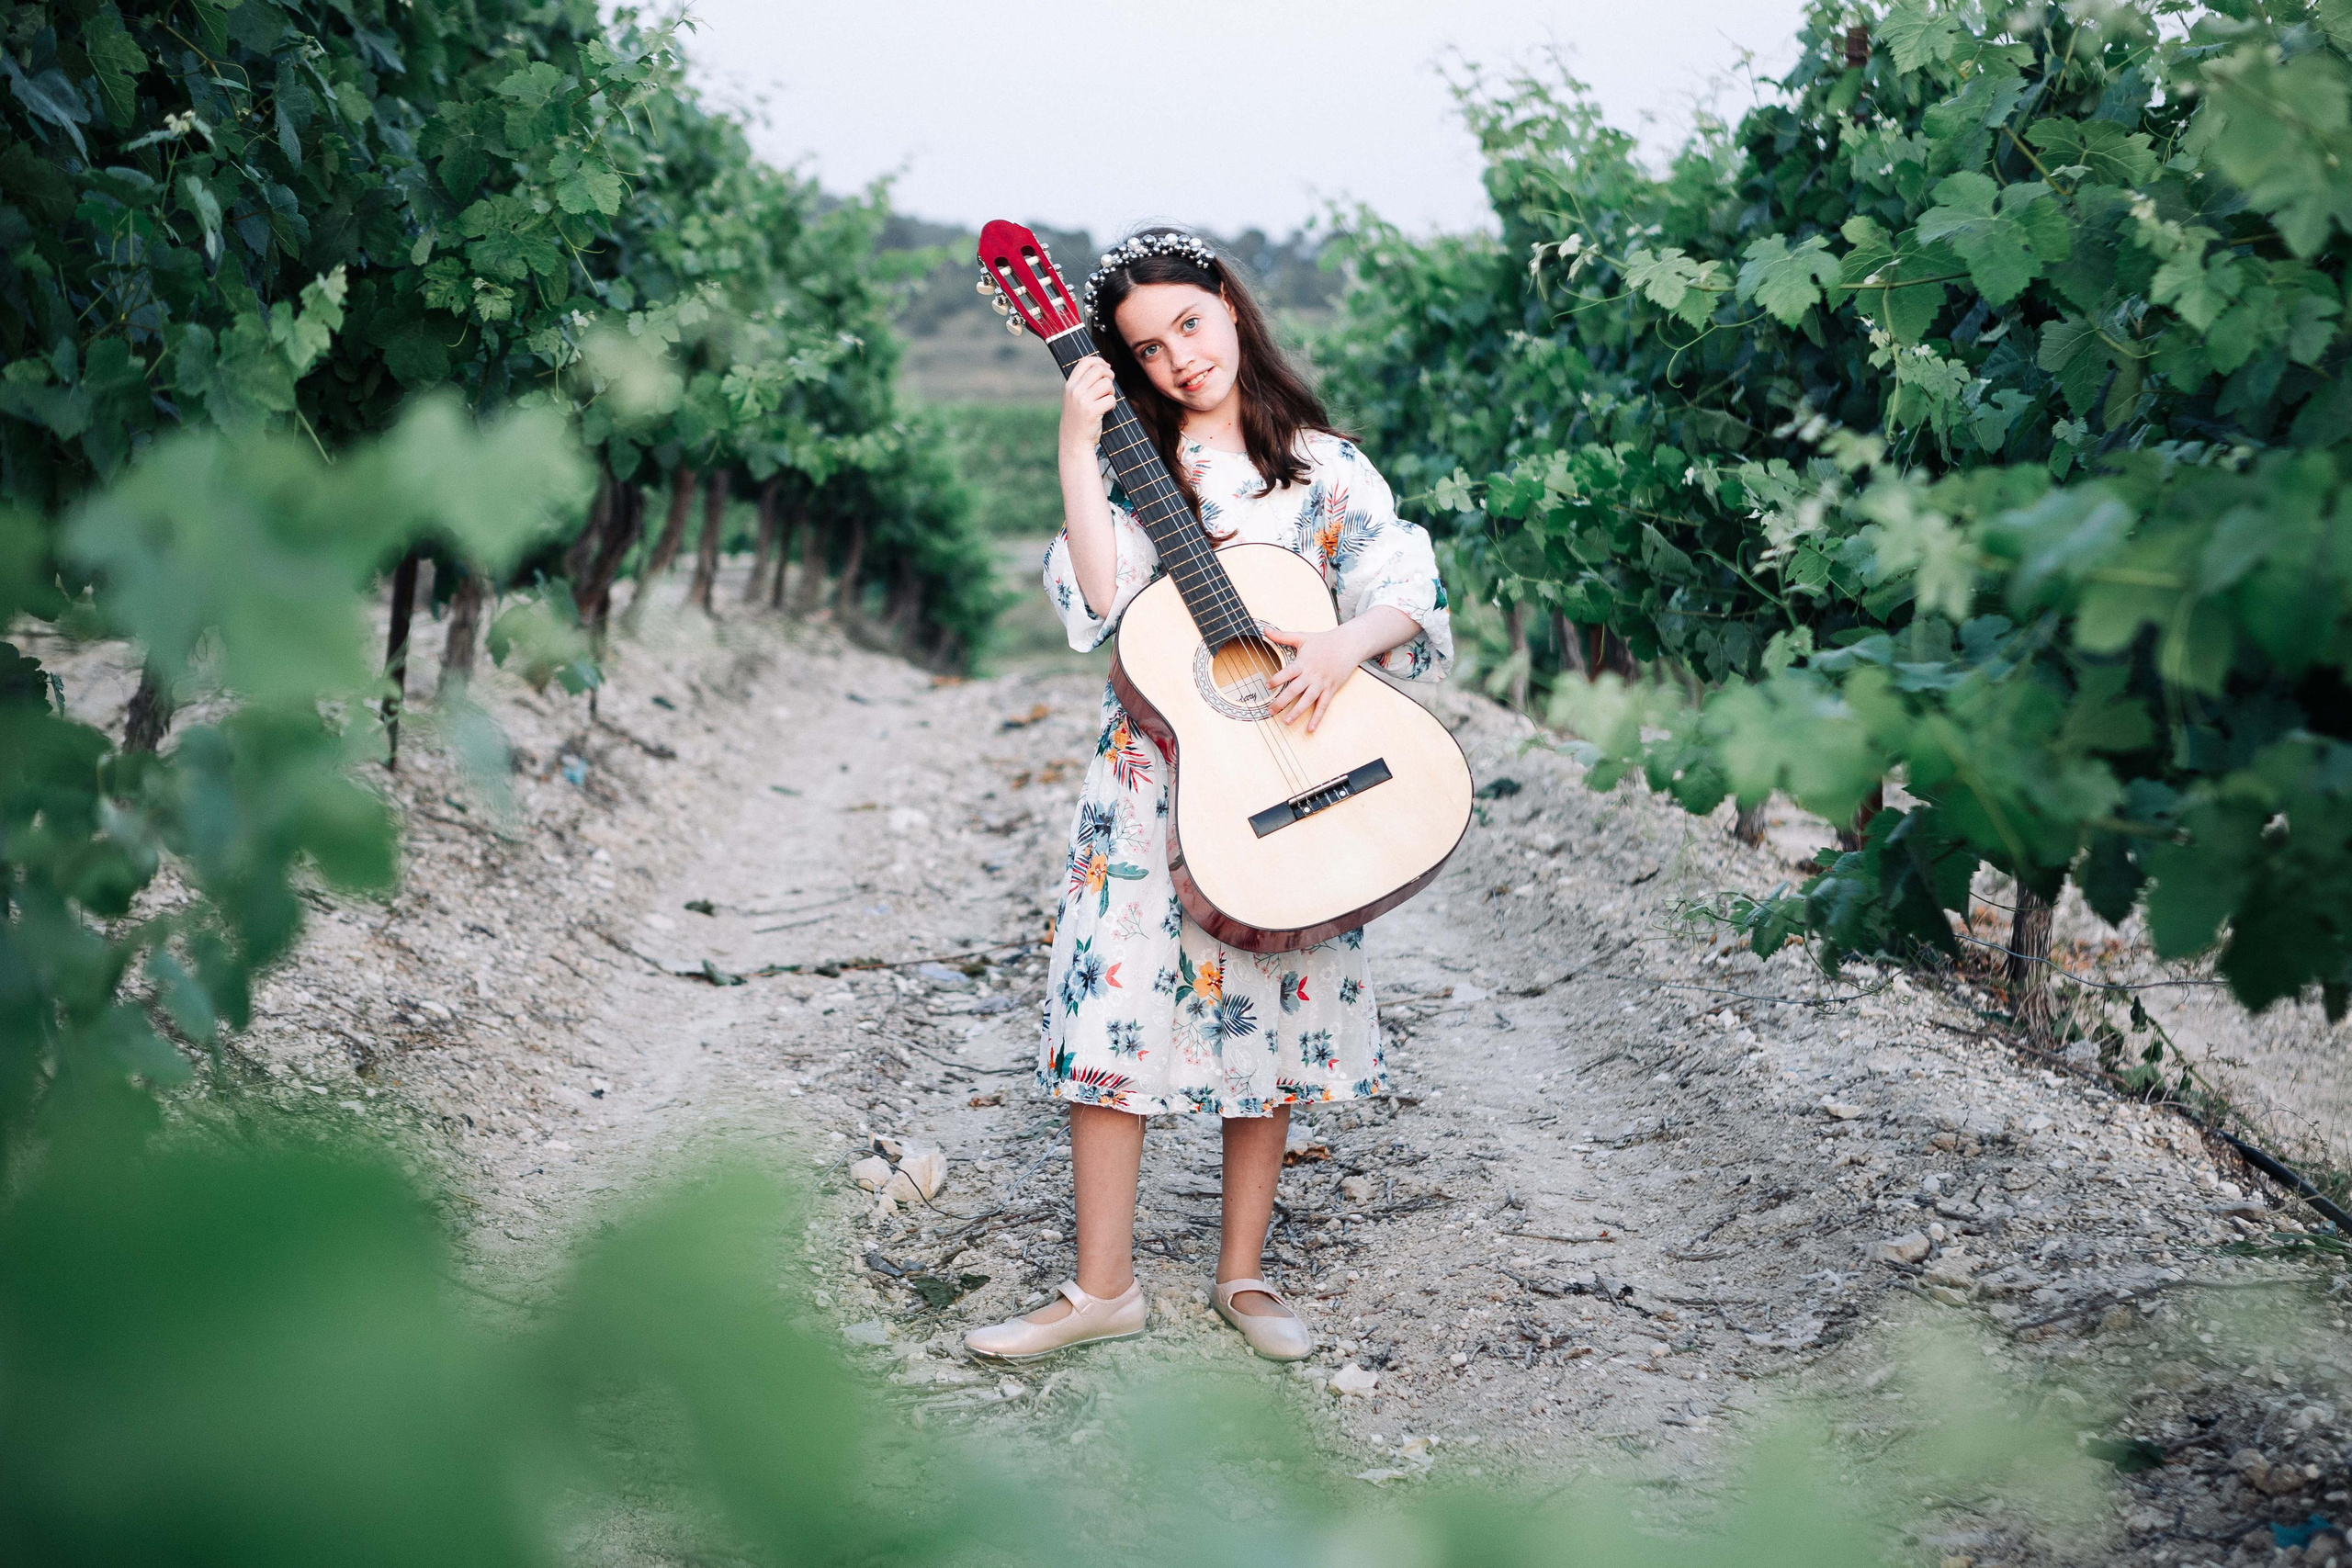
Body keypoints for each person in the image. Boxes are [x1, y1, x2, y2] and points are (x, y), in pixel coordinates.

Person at [962, 228, 1453, 1364]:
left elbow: (1406, 580)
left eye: (1190, 322)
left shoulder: (1321, 467)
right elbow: (1096, 599)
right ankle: (1101, 1289)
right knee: (1112, 1009)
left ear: (1229, 306)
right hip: (1149, 785)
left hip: (1288, 772)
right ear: (1125, 366)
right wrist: (1076, 447)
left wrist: (1338, 645)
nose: (1180, 358)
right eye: (1148, 347)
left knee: (1271, 1005)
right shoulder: (1141, 470)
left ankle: (1243, 1274)